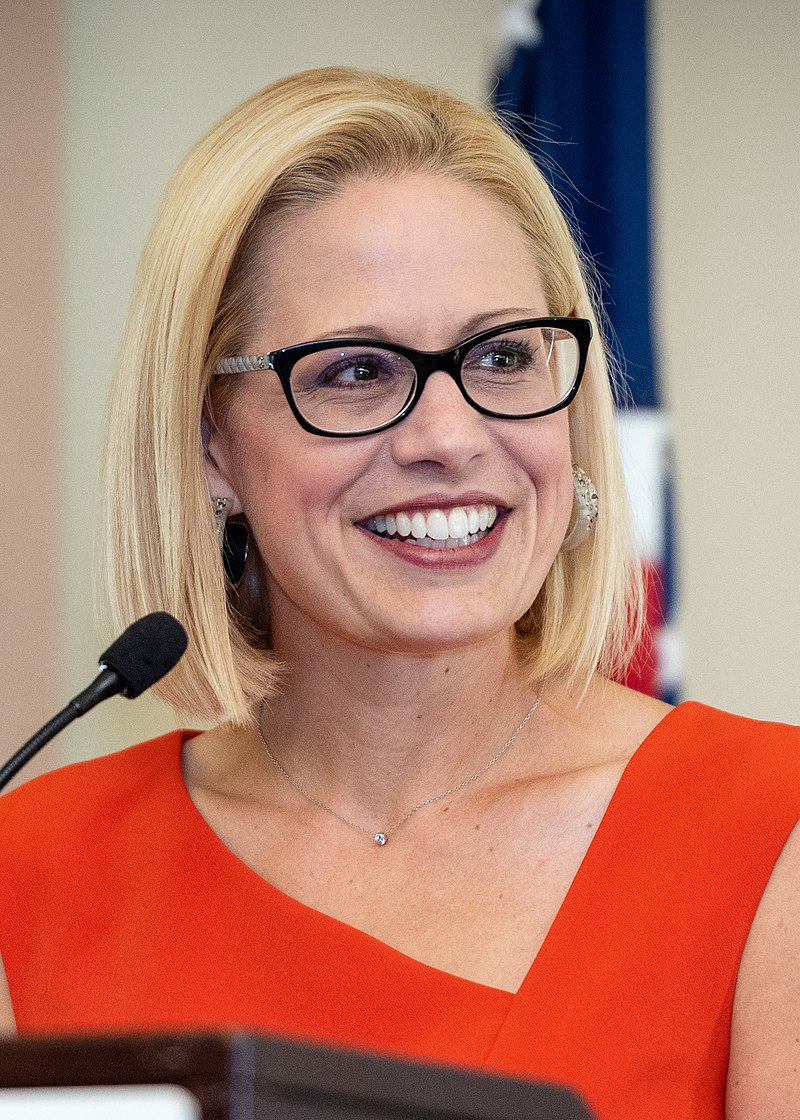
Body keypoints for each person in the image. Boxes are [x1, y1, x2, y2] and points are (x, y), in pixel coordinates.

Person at [1, 67, 799, 1119]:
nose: (448, 437)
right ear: (210, 446)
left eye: (504, 354)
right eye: (354, 371)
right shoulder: (32, 866)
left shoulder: (767, 830)